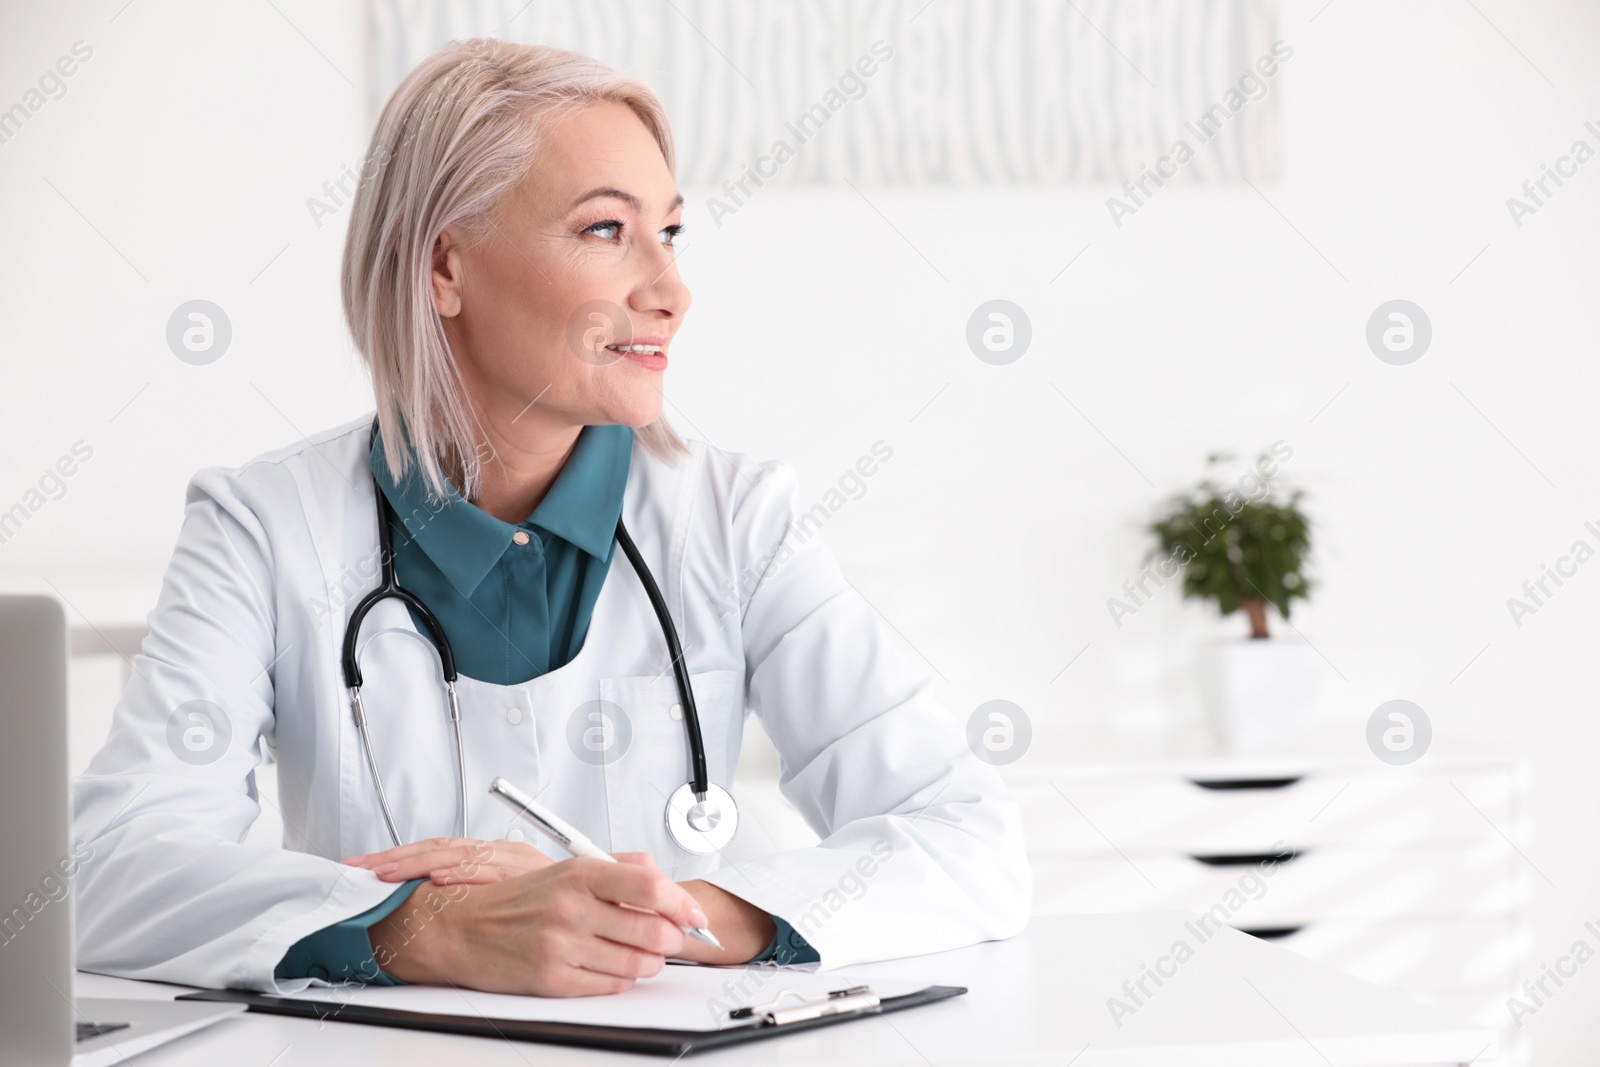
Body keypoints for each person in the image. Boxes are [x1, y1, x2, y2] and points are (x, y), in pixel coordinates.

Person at [71, 38, 1030, 997]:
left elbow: (970, 841)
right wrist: (426, 928)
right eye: (607, 231)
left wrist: (662, 920)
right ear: (446, 268)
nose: (670, 291)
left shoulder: (739, 520)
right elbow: (101, 873)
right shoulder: (265, 525)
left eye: (671, 232)